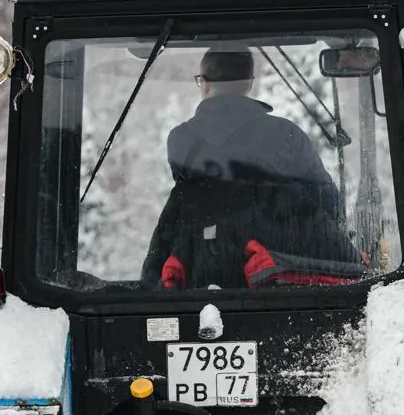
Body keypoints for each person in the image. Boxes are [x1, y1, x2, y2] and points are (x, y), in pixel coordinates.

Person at [144, 48, 359, 290]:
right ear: (249, 83)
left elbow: (195, 202)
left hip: (201, 277)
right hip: (283, 281)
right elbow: (327, 201)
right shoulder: (286, 135)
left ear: (203, 84)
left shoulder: (181, 139)